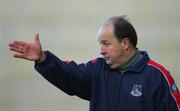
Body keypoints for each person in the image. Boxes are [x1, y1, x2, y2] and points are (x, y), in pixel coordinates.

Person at [9, 16, 180, 111]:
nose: (101, 51)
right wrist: (42, 59)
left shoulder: (157, 76)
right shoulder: (97, 69)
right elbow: (68, 74)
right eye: (100, 44)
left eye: (106, 44)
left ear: (125, 43)